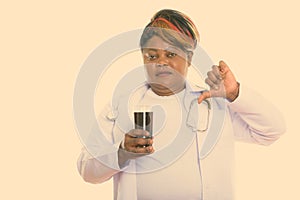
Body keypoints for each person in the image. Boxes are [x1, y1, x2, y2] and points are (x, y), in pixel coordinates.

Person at [77, 9, 285, 200]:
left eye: (171, 54)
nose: (161, 62)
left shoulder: (214, 105)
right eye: (152, 55)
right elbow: (87, 170)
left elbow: (273, 130)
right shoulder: (120, 106)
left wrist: (234, 93)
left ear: (190, 57)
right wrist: (121, 153)